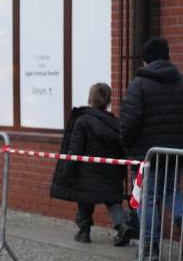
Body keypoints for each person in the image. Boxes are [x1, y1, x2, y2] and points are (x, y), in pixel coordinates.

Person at [119, 37, 183, 259]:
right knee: (170, 190)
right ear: (167, 57)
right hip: (177, 154)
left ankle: (150, 245)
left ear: (145, 60)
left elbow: (129, 122)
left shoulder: (138, 85)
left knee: (146, 197)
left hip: (146, 155)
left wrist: (126, 147)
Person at [50, 83, 133, 245]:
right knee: (113, 201)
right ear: (108, 100)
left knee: (84, 201)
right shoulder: (114, 123)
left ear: (91, 99)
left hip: (86, 173)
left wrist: (67, 171)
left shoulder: (82, 120)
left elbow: (75, 148)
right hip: (110, 174)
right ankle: (122, 226)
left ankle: (84, 231)